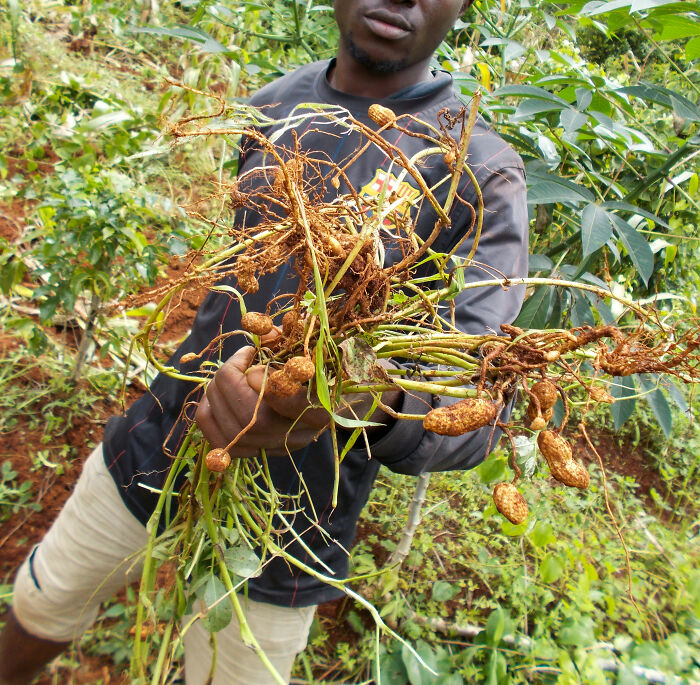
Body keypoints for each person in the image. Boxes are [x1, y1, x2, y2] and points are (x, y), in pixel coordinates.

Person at [0, 1, 529, 683]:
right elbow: (234, 283)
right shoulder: (272, 105)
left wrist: (359, 398)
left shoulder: (482, 170)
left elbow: (484, 398)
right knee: (41, 606)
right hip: (160, 437)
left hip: (291, 525)